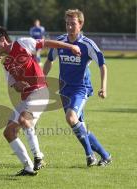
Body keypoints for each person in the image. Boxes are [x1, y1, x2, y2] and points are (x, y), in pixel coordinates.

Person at [0, 26, 81, 176]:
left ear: (3, 39)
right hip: (26, 98)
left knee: (24, 120)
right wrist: (18, 85)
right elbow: (13, 85)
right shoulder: (6, 63)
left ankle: (39, 157)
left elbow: (47, 43)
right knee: (9, 132)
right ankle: (28, 167)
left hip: (40, 92)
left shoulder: (23, 43)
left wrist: (71, 46)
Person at [43, 9, 112, 167]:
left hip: (81, 89)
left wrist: (104, 87)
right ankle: (105, 156)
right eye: (67, 23)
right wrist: (41, 80)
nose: (69, 27)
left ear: (80, 24)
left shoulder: (87, 44)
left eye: (73, 24)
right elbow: (49, 60)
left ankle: (90, 156)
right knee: (78, 124)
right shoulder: (60, 41)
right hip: (64, 90)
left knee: (71, 118)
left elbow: (102, 65)